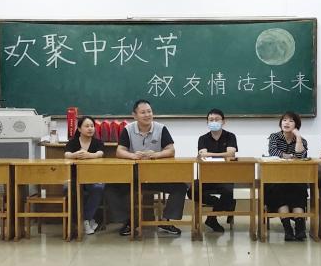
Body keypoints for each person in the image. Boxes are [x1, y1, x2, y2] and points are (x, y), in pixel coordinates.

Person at [110, 99, 187, 236]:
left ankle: (166, 221)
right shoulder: (128, 129)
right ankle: (128, 221)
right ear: (134, 115)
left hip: (157, 175)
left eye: (149, 111)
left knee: (181, 186)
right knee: (110, 188)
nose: (147, 115)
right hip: (134, 175)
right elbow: (119, 151)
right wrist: (133, 156)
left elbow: (171, 150)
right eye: (143, 112)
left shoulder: (161, 128)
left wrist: (156, 155)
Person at [267, 111, 310, 241]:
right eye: (284, 120)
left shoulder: (302, 140)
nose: (286, 123)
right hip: (276, 177)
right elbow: (273, 152)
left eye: (291, 121)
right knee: (279, 189)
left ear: (296, 125)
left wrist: (298, 138)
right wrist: (291, 156)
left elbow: (301, 156)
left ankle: (300, 228)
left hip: (296, 178)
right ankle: (288, 229)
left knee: (299, 189)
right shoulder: (274, 137)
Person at [63, 117, 106, 236]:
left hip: (93, 176)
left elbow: (100, 153)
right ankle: (77, 221)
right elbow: (67, 154)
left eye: (92, 126)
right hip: (75, 177)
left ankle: (86, 219)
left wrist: (89, 155)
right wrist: (75, 155)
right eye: (87, 126)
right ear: (79, 129)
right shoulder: (73, 142)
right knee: (68, 189)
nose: (90, 128)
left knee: (98, 188)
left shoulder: (98, 142)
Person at [197, 108, 237, 233]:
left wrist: (210, 154)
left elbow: (231, 153)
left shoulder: (230, 136)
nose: (213, 122)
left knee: (228, 191)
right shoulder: (203, 138)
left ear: (223, 121)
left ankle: (211, 219)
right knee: (192, 191)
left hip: (225, 176)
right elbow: (203, 154)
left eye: (217, 119)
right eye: (211, 120)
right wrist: (222, 155)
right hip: (207, 176)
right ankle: (223, 204)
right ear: (207, 122)